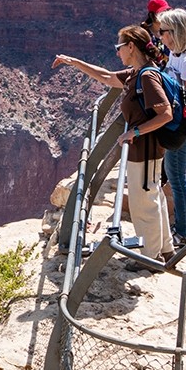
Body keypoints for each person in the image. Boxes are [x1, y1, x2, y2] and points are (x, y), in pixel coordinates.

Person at [53, 24, 174, 263]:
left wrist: (135, 132)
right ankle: (165, 249)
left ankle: (150, 259)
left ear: (131, 46)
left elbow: (166, 114)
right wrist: (74, 62)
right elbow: (107, 76)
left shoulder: (147, 76)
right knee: (153, 196)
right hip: (147, 149)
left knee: (143, 204)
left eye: (119, 46)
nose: (117, 51)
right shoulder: (136, 74)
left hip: (145, 150)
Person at [157, 8, 186, 245]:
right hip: (175, 122)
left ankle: (184, 232)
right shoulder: (176, 55)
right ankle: (178, 226)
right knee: (174, 173)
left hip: (184, 125)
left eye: (163, 31)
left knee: (176, 176)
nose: (161, 36)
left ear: (175, 32)